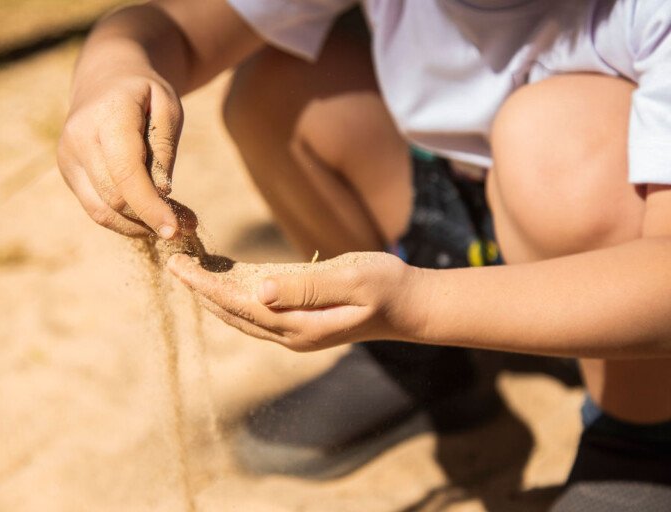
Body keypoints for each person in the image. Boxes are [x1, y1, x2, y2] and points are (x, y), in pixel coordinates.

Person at [57, 0, 671, 509]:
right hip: (447, 210)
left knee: (552, 139)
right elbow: (169, 27)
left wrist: (416, 304)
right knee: (275, 89)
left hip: (618, 274)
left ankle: (641, 435)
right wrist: (110, 73)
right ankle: (426, 368)